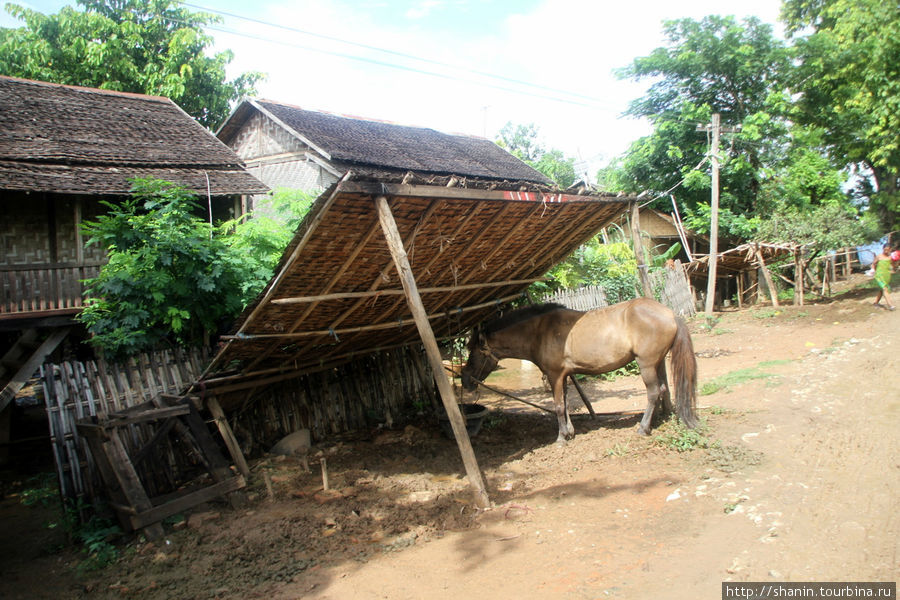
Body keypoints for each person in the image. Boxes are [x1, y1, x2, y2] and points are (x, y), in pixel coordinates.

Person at [872, 244, 895, 310]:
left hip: (886, 276)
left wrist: (893, 269)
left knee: (882, 290)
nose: (886, 251)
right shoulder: (879, 256)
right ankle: (890, 305)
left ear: (890, 250)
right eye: (885, 250)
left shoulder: (890, 258)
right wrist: (873, 270)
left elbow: (892, 265)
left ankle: (876, 303)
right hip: (879, 276)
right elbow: (873, 263)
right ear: (883, 249)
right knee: (885, 289)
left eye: (888, 250)